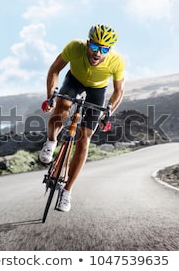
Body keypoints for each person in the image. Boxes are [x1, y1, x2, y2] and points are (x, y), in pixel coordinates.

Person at [40, 24, 126, 212]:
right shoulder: (74, 47)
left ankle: (67, 192)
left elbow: (119, 91)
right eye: (94, 47)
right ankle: (51, 142)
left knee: (84, 139)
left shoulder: (117, 61)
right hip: (74, 81)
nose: (97, 53)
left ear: (109, 50)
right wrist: (51, 96)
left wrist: (108, 110)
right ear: (87, 44)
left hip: (97, 90)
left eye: (104, 49)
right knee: (62, 108)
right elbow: (54, 70)